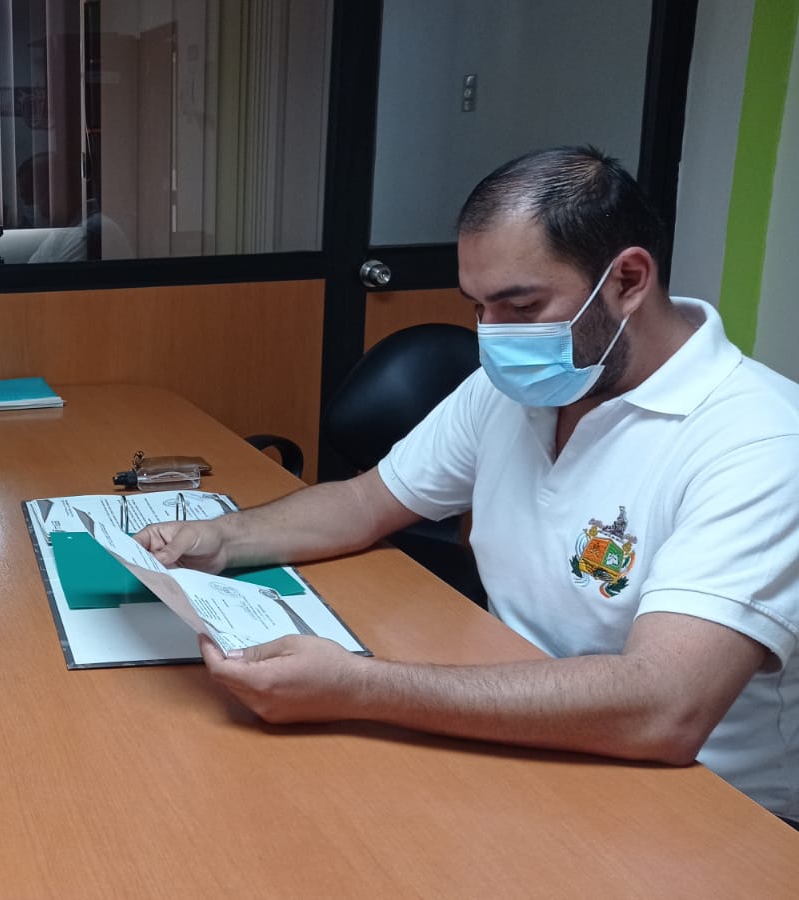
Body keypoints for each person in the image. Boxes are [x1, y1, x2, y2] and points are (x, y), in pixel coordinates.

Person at [136, 146, 799, 822]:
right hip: (515, 735)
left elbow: (664, 706)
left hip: (701, 808)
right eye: (479, 307)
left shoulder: (761, 444)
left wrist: (361, 687)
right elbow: (366, 501)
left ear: (628, 279)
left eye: (521, 305)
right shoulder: (515, 389)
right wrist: (223, 538)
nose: (493, 338)